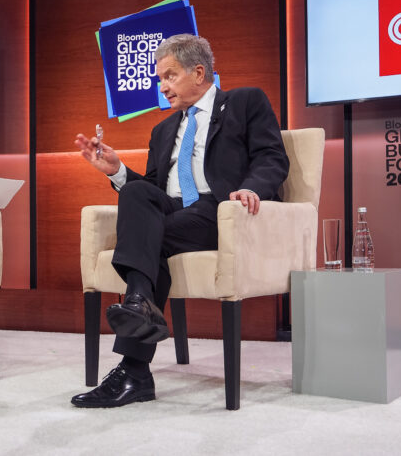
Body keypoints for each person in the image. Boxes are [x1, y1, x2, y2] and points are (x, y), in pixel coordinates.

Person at [71, 34, 289, 408]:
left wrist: (251, 188)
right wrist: (118, 170)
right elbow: (152, 191)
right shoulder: (162, 130)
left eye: (169, 76)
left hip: (219, 209)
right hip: (176, 210)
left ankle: (133, 367)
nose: (163, 86)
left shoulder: (244, 101)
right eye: (160, 79)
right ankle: (140, 314)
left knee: (146, 239)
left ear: (199, 72)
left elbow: (272, 157)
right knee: (136, 194)